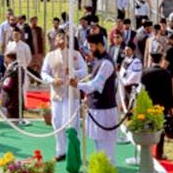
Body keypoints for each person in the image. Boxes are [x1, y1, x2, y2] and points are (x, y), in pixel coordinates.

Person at [42, 31, 87, 162]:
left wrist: (73, 72)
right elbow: (44, 73)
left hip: (72, 94)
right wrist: (52, 80)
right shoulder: (50, 55)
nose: (61, 40)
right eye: (58, 38)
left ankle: (73, 150)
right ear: (55, 41)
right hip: (57, 94)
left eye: (63, 37)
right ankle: (60, 150)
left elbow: (84, 71)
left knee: (72, 123)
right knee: (57, 122)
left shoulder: (76, 54)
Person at [78, 34, 122, 163]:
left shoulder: (107, 63)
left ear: (99, 45)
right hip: (97, 109)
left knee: (106, 147)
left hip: (105, 110)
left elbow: (96, 85)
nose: (90, 49)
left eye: (91, 46)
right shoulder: (99, 61)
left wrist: (78, 85)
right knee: (99, 145)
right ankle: (102, 171)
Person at [140, 51, 173, 159]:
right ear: (161, 60)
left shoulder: (145, 72)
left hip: (149, 104)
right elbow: (170, 91)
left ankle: (147, 150)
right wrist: (170, 106)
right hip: (162, 104)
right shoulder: (166, 73)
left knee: (148, 127)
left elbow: (142, 90)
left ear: (151, 60)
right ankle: (159, 152)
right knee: (161, 129)